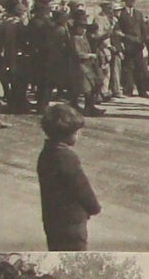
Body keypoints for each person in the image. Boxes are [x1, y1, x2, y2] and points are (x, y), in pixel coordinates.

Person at [36, 103, 101, 251]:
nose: (78, 136)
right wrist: (94, 207)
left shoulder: (46, 153)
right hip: (71, 221)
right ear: (66, 134)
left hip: (52, 219)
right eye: (76, 132)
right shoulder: (66, 157)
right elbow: (81, 187)